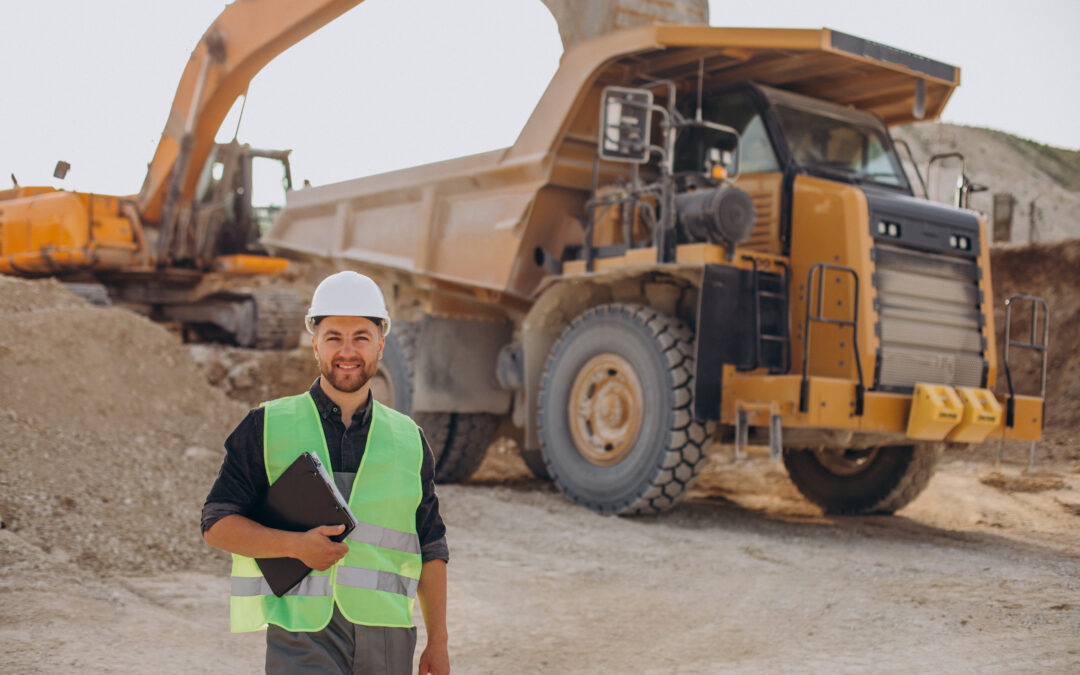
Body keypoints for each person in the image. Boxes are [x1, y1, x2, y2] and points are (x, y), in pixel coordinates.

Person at [202, 271, 450, 675]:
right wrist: (294, 545)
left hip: (388, 634)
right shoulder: (267, 425)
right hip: (302, 635)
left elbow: (431, 547)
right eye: (334, 336)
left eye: (361, 337)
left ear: (381, 344)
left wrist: (438, 641)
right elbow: (216, 524)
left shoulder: (409, 439)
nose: (347, 351)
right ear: (315, 342)